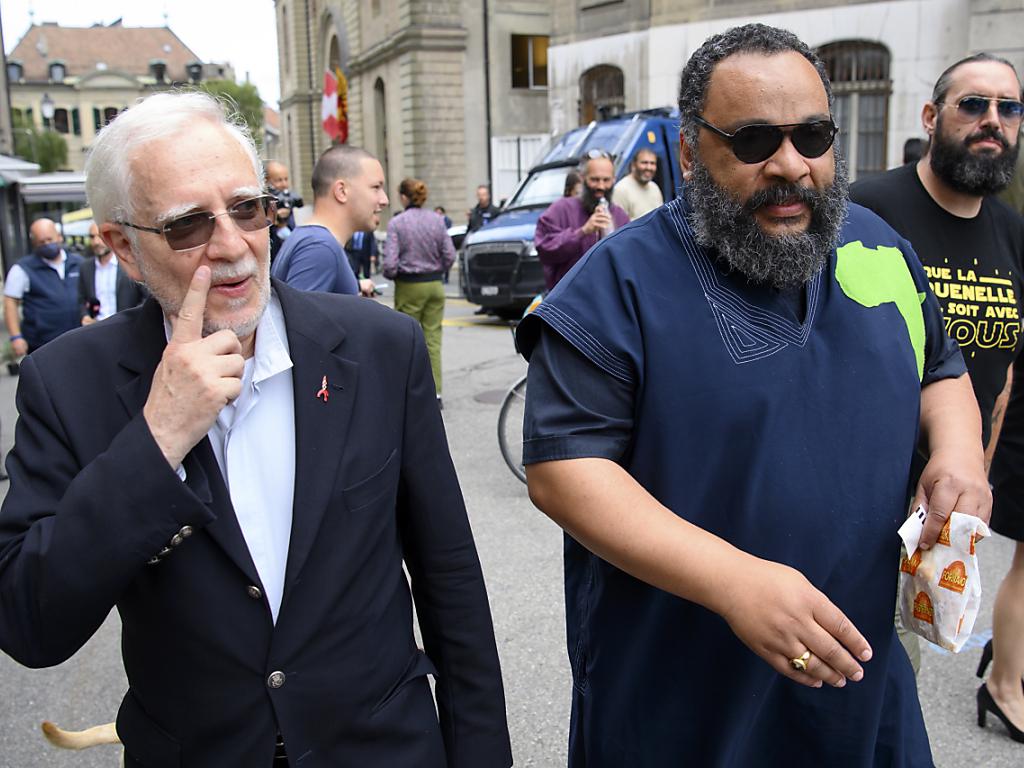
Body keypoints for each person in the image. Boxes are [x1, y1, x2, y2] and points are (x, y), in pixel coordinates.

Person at [517, 23, 991, 766]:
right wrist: (733, 581)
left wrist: (959, 454)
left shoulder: (877, 248)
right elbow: (563, 470)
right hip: (682, 707)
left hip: (859, 690)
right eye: (754, 141)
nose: (790, 165)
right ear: (688, 152)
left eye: (812, 136)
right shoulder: (614, 287)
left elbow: (942, 371)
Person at [0, 91, 512, 767]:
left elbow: (449, 576)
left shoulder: (380, 349)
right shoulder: (68, 383)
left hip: (382, 747)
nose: (233, 246)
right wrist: (156, 442)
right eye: (187, 225)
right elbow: (31, 625)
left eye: (247, 209)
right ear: (123, 246)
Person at [850, 54, 1024, 702]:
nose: (993, 120)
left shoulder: (1012, 233)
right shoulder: (869, 208)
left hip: (940, 510)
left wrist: (975, 473)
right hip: (858, 498)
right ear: (930, 116)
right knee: (855, 673)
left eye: (1009, 108)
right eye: (973, 104)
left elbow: (1002, 375)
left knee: (895, 679)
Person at [270, 145, 382, 297]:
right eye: (376, 187)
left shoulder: (313, 240)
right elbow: (301, 312)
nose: (384, 200)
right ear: (341, 191)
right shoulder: (320, 247)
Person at [382, 178, 455, 405]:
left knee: (406, 340)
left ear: (404, 197)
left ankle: (407, 392)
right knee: (433, 339)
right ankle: (436, 392)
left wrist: (393, 274)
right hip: (434, 285)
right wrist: (439, 269)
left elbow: (390, 264)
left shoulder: (397, 223)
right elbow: (450, 254)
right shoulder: (437, 220)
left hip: (409, 286)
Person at [534, 152, 629, 291]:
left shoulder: (620, 215)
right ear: (583, 178)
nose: (601, 186)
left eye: (606, 180)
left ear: (614, 180)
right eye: (594, 180)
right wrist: (583, 232)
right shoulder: (561, 208)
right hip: (567, 297)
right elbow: (544, 249)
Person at [3, 218, 82, 356]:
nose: (47, 244)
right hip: (42, 344)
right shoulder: (23, 269)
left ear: (59, 237)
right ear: (34, 244)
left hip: (79, 337)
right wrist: (16, 337)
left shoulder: (79, 263)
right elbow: (10, 301)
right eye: (41, 242)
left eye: (49, 239)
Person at [78, 222, 147, 324]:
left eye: (99, 236)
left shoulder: (131, 262)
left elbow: (146, 298)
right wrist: (85, 316)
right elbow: (82, 300)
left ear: (109, 237)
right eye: (92, 237)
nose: (96, 242)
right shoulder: (86, 267)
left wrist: (133, 321)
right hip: (97, 327)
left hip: (128, 327)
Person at [612, 147, 664, 219]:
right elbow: (618, 222)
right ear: (633, 165)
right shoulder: (621, 189)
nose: (649, 167)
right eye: (644, 163)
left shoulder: (655, 188)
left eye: (652, 163)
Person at [265, 160, 302, 260]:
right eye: (278, 180)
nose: (284, 184)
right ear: (266, 181)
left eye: (286, 179)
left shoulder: (287, 202)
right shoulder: (263, 205)